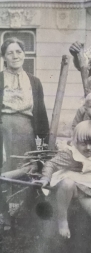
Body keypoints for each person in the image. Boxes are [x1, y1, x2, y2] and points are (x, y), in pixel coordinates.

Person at [37, 120, 91, 241]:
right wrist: (45, 177)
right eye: (83, 144)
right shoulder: (70, 154)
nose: (88, 148)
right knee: (68, 183)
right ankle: (62, 220)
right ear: (76, 142)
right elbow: (51, 164)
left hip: (86, 189)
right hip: (67, 188)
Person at [0, 37, 49, 172]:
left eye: (18, 52)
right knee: (5, 169)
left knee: (27, 169)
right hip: (4, 134)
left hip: (27, 133)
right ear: (4, 57)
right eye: (10, 53)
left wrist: (46, 140)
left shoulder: (34, 81)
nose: (15, 56)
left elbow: (41, 112)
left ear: (24, 54)